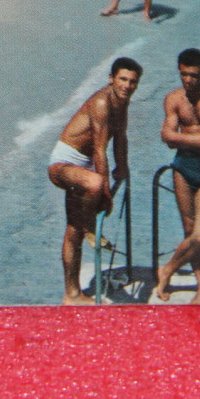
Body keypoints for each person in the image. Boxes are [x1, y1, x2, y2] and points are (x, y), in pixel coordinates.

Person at [47, 57, 139, 304]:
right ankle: (72, 290)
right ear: (111, 79)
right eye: (122, 79)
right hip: (63, 164)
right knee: (95, 188)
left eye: (132, 82)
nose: (126, 86)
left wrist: (123, 167)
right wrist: (106, 192)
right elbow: (100, 149)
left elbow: (120, 137)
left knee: (73, 230)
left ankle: (72, 292)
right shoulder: (101, 102)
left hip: (84, 168)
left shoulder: (123, 102)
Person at [153, 49, 200, 304]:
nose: (188, 80)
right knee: (189, 231)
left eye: (193, 75)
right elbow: (165, 136)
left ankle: (167, 270)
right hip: (182, 168)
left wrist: (180, 140)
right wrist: (189, 141)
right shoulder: (173, 99)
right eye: (183, 74)